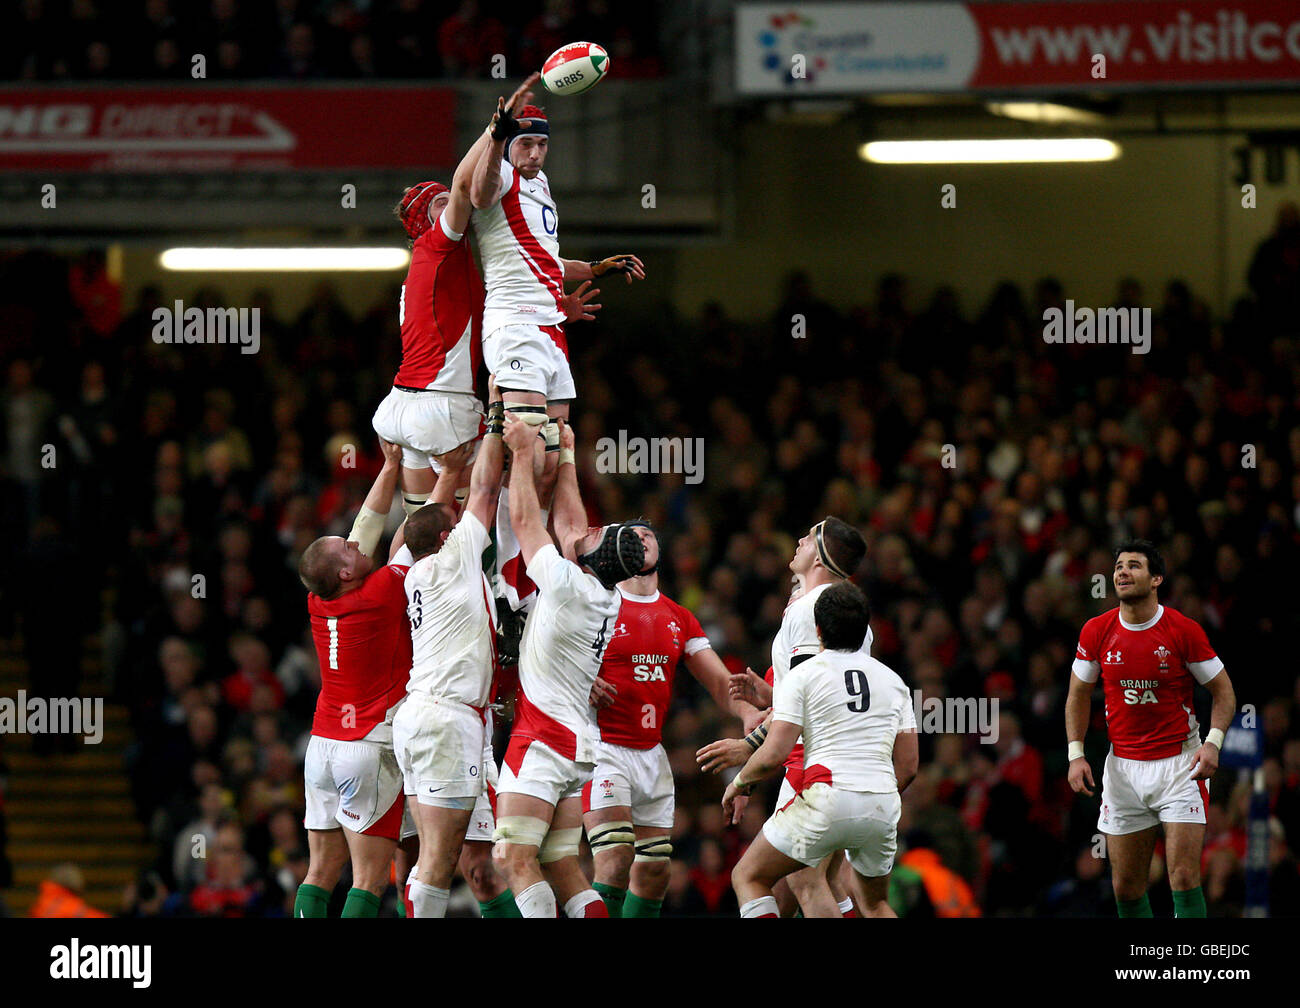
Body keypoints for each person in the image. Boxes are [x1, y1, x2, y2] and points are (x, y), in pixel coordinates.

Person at [373, 74, 600, 518]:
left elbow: (525, 266)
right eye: (436, 204)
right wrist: (496, 129)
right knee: (508, 484)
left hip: (402, 402)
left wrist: (555, 300)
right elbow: (465, 188)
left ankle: (413, 580)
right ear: (425, 221)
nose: (450, 207)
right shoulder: (439, 242)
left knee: (426, 525)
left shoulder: (434, 266)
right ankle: (511, 581)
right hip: (442, 404)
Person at [467, 72, 644, 610]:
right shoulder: (499, 175)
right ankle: (500, 578)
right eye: (528, 143)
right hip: (515, 326)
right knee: (531, 453)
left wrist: (593, 267)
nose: (537, 153)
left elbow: (544, 259)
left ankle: (530, 572)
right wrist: (496, 138)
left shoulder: (541, 187)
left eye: (543, 143)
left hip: (550, 330)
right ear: (510, 143)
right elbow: (473, 193)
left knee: (553, 458)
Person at [490, 412, 646, 917]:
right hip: (574, 741)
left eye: (602, 533)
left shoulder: (562, 582)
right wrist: (570, 456)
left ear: (596, 557)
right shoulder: (606, 593)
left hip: (543, 737)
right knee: (561, 864)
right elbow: (574, 526)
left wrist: (518, 450)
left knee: (512, 857)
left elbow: (523, 521)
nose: (592, 528)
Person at [582, 522, 762, 917]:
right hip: (601, 747)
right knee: (614, 860)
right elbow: (547, 655)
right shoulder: (596, 605)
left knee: (655, 873)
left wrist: (747, 711)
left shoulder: (679, 617)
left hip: (651, 753)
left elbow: (718, 682)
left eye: (647, 534)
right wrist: (579, 678)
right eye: (631, 535)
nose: (641, 539)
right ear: (616, 550)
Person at [697, 516, 869, 917]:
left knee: (789, 879)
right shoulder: (849, 613)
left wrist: (748, 751)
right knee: (811, 883)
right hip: (842, 760)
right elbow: (825, 693)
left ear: (821, 557)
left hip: (814, 763)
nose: (800, 539)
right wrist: (774, 695)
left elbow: (811, 701)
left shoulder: (812, 609)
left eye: (810, 536)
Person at [722, 582, 918, 918]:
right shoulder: (894, 682)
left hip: (827, 797)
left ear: (817, 631)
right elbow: (910, 764)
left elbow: (775, 753)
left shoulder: (804, 675)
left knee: (750, 876)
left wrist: (739, 782)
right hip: (882, 804)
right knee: (874, 903)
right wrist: (874, 796)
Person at [1066, 539, 1237, 919]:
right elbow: (1078, 694)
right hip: (1123, 768)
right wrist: (1075, 754)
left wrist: (1213, 744)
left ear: (1156, 578)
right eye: (1118, 567)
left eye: (1134, 566)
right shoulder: (1096, 631)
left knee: (1182, 875)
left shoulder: (1182, 630)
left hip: (1181, 765)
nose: (1122, 572)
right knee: (1125, 886)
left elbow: (1223, 692)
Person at [389, 392, 509, 918]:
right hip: (446, 719)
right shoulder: (455, 555)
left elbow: (416, 524)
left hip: (431, 717)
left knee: (474, 864)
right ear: (447, 536)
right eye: (454, 521)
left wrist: (446, 473)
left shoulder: (410, 567)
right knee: (437, 862)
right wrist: (496, 423)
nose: (464, 521)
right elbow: (484, 489)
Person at [294, 439, 410, 918]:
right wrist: (444, 475)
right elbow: (410, 534)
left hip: (321, 746)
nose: (355, 541)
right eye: (346, 546)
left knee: (319, 873)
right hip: (366, 747)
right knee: (368, 879)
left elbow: (367, 526)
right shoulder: (381, 591)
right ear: (345, 571)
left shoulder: (318, 601)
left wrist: (391, 465)